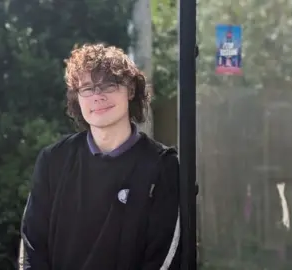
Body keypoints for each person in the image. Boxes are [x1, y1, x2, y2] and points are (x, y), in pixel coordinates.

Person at [19, 43, 181, 270]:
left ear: (131, 90)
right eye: (87, 88)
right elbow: (32, 247)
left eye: (109, 85)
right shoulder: (52, 161)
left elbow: (166, 258)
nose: (98, 96)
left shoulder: (163, 166)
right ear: (77, 96)